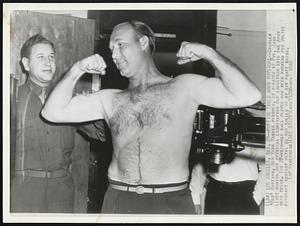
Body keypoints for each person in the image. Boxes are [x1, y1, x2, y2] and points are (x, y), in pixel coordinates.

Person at [41, 20, 261, 214]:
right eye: (111, 49)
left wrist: (208, 52)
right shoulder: (109, 99)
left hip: (169, 200)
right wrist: (77, 69)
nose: (114, 55)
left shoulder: (184, 87)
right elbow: (52, 112)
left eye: (121, 45)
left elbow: (248, 94)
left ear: (143, 42)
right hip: (119, 199)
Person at [10, 34, 76, 213]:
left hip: (62, 191)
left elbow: (101, 133)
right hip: (23, 191)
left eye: (52, 57)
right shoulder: (11, 99)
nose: (48, 62)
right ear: (25, 63)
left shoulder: (69, 100)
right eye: (40, 57)